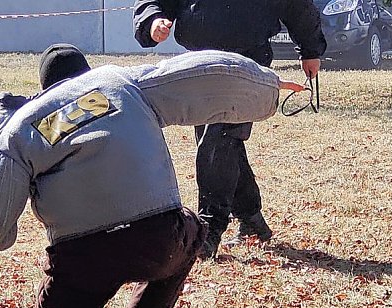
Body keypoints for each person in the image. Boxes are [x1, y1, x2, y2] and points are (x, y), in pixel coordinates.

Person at [0, 44, 304, 308]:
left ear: (44, 86)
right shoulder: (119, 82)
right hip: (159, 238)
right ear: (86, 72)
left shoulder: (25, 125)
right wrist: (268, 85)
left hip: (82, 253)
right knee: (192, 231)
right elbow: (202, 74)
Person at [133, 0, 327, 258]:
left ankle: (208, 229)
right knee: (223, 142)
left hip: (246, 61)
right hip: (199, 62)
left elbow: (297, 6)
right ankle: (252, 220)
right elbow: (153, 2)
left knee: (219, 139)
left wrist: (310, 49)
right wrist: (153, 20)